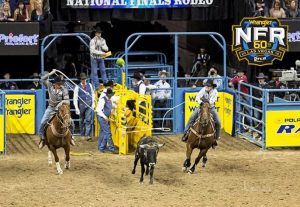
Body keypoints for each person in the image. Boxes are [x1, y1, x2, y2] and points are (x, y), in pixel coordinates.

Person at [38, 69, 75, 149]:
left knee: (71, 122)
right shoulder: (50, 86)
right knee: (43, 122)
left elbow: (67, 101)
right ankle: (42, 138)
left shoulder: (64, 89)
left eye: (61, 84)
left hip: (61, 109)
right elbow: (42, 79)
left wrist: (60, 104)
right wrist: (51, 73)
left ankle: (71, 137)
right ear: (55, 84)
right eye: (59, 84)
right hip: (51, 108)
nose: (60, 85)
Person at [182, 79, 221, 146]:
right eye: (206, 86)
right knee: (192, 117)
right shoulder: (203, 89)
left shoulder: (215, 92)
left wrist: (204, 101)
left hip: (210, 108)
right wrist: (201, 102)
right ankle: (186, 134)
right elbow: (197, 97)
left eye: (209, 86)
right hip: (201, 107)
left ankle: (216, 138)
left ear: (212, 87)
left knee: (218, 122)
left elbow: (211, 101)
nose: (207, 87)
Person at [95, 88, 118, 154]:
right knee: (107, 132)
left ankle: (101, 147)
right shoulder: (103, 100)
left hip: (104, 118)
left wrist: (116, 107)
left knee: (103, 132)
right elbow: (98, 110)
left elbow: (112, 106)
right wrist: (105, 117)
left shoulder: (109, 100)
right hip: (102, 117)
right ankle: (111, 148)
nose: (110, 96)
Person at [73, 73, 95, 140]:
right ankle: (82, 134)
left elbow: (93, 95)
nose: (84, 80)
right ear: (80, 79)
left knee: (88, 120)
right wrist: (76, 108)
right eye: (82, 79)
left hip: (89, 104)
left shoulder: (90, 85)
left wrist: (93, 103)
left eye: (84, 79)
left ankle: (87, 135)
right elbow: (75, 98)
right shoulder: (77, 87)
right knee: (81, 120)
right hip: (81, 106)